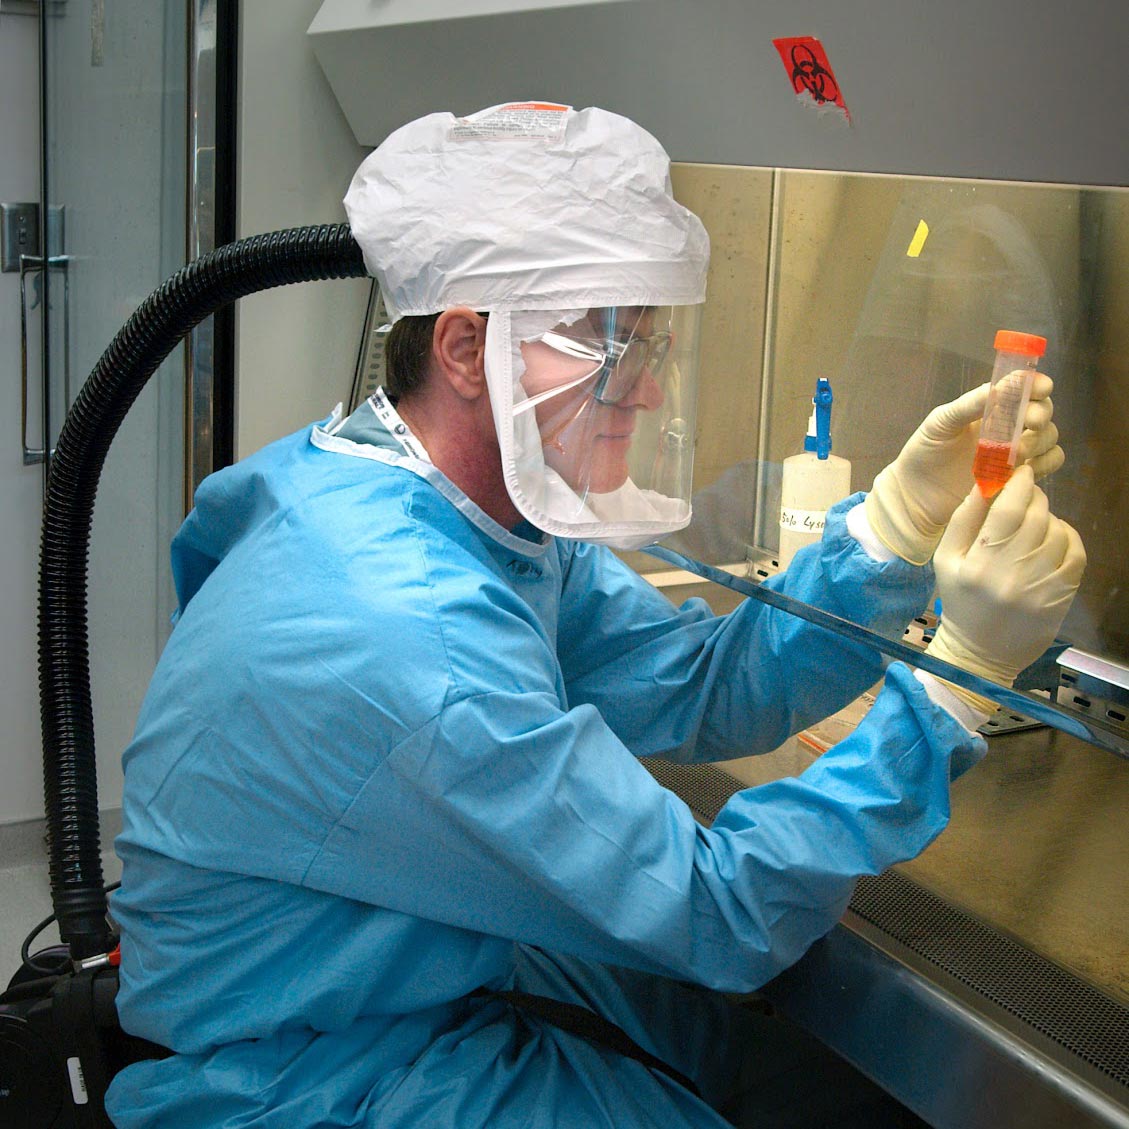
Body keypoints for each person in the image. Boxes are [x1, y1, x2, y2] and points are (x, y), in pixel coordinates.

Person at [104, 103, 1084, 1128]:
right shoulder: (409, 633)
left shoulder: (443, 506)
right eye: (611, 348)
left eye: (652, 344)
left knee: (733, 1047)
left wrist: (887, 530)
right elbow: (719, 912)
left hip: (393, 978)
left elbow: (699, 688)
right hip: (303, 1073)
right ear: (463, 344)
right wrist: (953, 687)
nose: (651, 394)